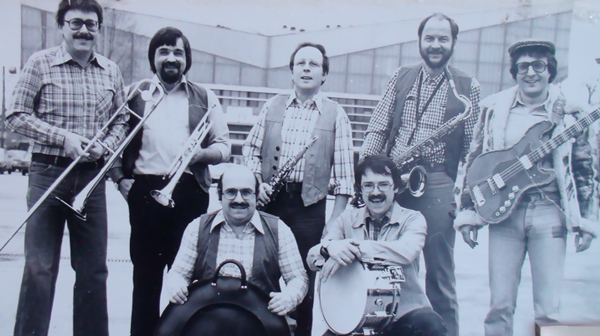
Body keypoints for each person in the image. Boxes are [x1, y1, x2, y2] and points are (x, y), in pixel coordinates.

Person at [454, 39, 599, 336]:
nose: (530, 72)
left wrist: (585, 221)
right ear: (514, 72)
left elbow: (585, 169)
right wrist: (469, 212)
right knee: (500, 306)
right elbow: (475, 160)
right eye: (523, 66)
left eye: (539, 66)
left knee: (548, 309)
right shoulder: (494, 109)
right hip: (505, 216)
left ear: (550, 71)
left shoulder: (570, 112)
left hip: (550, 213)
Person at [5, 1, 127, 335]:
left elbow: (122, 120)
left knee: (93, 270)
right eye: (75, 23)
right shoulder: (40, 63)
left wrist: (107, 145)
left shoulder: (110, 70)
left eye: (91, 24)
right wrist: (63, 139)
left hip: (91, 178)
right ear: (61, 26)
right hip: (48, 173)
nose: (84, 30)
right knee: (39, 268)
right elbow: (14, 115)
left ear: (99, 28)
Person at [359, 13, 481, 336]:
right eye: (430, 38)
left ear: (454, 42)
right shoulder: (401, 76)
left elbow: (473, 149)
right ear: (420, 42)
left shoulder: (468, 87)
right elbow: (378, 127)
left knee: (440, 274)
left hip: (439, 182)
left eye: (443, 39)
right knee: (390, 268)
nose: (436, 45)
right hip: (395, 177)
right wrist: (369, 172)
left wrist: (463, 198)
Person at [107, 27, 230, 336]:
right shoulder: (137, 94)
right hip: (145, 191)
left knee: (186, 279)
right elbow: (115, 142)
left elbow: (224, 147)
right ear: (153, 58)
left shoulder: (204, 96)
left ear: (187, 59)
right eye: (164, 51)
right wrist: (121, 180)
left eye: (178, 52)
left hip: (188, 192)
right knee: (145, 280)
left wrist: (200, 155)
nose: (171, 58)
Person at [242, 42, 355, 335]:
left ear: (324, 75)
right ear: (291, 72)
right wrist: (258, 183)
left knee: (304, 281)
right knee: (260, 276)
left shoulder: (336, 114)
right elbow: (250, 150)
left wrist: (334, 223)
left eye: (314, 64)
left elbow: (345, 178)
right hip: (270, 204)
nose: (306, 68)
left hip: (309, 210)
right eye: (300, 63)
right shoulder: (272, 105)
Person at [307, 155, 447, 336]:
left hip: (404, 315)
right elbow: (312, 258)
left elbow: (406, 251)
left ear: (395, 186)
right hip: (356, 318)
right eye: (368, 185)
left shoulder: (413, 219)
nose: (375, 192)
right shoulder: (346, 219)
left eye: (383, 184)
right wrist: (328, 248)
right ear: (360, 189)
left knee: (432, 326)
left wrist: (354, 249)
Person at [164, 164, 308, 324]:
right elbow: (178, 274)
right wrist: (176, 286)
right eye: (231, 192)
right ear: (220, 195)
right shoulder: (197, 228)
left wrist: (289, 297)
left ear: (256, 194)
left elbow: (298, 278)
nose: (239, 199)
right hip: (207, 325)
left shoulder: (279, 230)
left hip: (259, 325)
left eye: (246, 192)